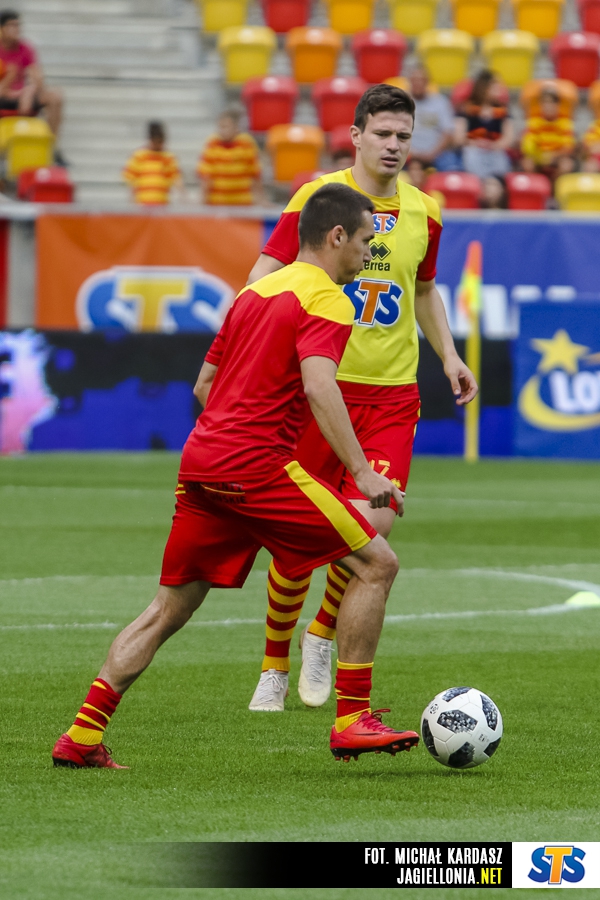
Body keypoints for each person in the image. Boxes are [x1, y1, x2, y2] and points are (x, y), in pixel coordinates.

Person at [51, 183, 420, 769]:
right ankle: (353, 719)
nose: (370, 253)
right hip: (257, 466)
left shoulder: (253, 293)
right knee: (377, 563)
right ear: (336, 236)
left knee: (167, 608)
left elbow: (204, 384)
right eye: (366, 241)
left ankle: (83, 735)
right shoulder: (328, 300)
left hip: (201, 462)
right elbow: (319, 385)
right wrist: (360, 471)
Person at [240, 84, 478, 712]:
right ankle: (273, 664)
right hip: (321, 391)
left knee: (373, 525)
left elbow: (423, 290)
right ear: (356, 135)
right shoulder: (317, 197)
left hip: (393, 395)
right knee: (298, 537)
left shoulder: (426, 212)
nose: (394, 146)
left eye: (404, 136)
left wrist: (450, 355)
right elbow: (265, 273)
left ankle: (321, 633)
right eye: (383, 134)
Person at [0, 10, 64, 153]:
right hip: (3, 95)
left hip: (22, 96)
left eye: (18, 25)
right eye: (12, 25)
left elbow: (36, 76)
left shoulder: (25, 48)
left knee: (55, 97)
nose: (17, 29)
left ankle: (51, 148)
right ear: (2, 29)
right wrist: (9, 82)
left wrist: (31, 88)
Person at [197, 106, 263, 205]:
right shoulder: (212, 144)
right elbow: (206, 177)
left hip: (242, 203)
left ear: (236, 128)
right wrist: (202, 200)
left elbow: (255, 174)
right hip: (217, 203)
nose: (221, 130)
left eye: (225, 127)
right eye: (220, 127)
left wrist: (261, 200)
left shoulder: (246, 144)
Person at [455, 70, 514, 180]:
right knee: (471, 156)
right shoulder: (467, 108)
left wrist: (493, 145)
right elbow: (458, 138)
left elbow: (509, 138)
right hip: (473, 150)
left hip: (495, 151)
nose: (499, 89)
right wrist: (476, 143)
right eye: (495, 85)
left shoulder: (503, 110)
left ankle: (496, 184)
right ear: (484, 87)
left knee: (501, 160)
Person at [408, 65, 461, 171]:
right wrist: (411, 153)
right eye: (415, 80)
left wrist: (433, 154)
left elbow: (448, 133)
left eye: (421, 80)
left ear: (427, 82)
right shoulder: (401, 102)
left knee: (452, 168)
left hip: (437, 153)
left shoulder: (440, 102)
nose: (418, 83)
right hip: (408, 153)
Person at [521, 87, 576, 179]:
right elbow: (527, 146)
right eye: (545, 102)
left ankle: (556, 186)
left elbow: (568, 147)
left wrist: (553, 156)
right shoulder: (534, 122)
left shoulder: (565, 123)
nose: (548, 105)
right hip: (538, 157)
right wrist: (540, 156)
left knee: (567, 165)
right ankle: (537, 186)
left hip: (557, 159)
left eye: (552, 102)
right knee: (527, 163)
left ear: (558, 105)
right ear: (540, 105)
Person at [123, 121, 182, 206]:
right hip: (142, 204)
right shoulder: (139, 156)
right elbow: (131, 181)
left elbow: (176, 179)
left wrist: (183, 196)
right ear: (150, 140)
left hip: (162, 204)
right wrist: (131, 202)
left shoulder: (168, 157)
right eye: (156, 142)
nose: (158, 145)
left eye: (160, 142)